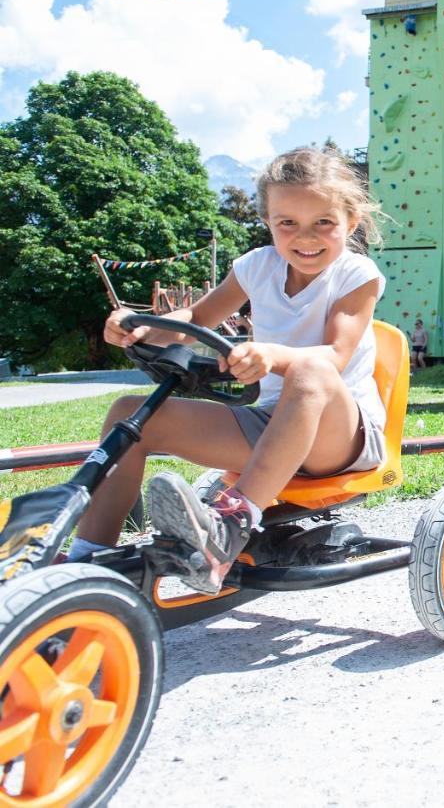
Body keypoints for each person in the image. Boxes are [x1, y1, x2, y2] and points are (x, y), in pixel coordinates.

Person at [69, 146, 388, 594]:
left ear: (350, 222)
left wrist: (271, 355)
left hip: (343, 437)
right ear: (269, 223)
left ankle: (229, 529)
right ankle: (86, 563)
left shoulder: (356, 273)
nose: (305, 237)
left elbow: (333, 355)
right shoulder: (257, 266)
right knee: (130, 413)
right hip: (274, 424)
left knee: (311, 371)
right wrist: (137, 326)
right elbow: (195, 321)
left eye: (324, 222)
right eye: (287, 223)